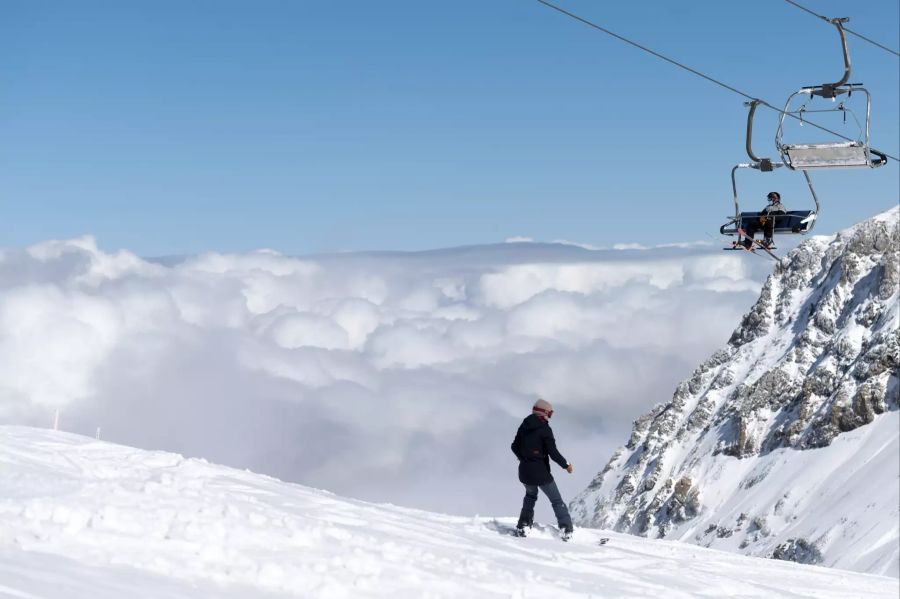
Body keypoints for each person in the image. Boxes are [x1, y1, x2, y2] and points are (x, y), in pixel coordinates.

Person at [510, 398, 574, 538]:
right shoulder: (544, 429)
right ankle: (566, 528)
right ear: (543, 413)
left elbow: (514, 446)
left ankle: (523, 525)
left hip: (525, 472)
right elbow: (553, 453)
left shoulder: (524, 425)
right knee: (556, 500)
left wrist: (524, 458)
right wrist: (566, 465)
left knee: (530, 496)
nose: (549, 418)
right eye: (549, 414)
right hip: (541, 473)